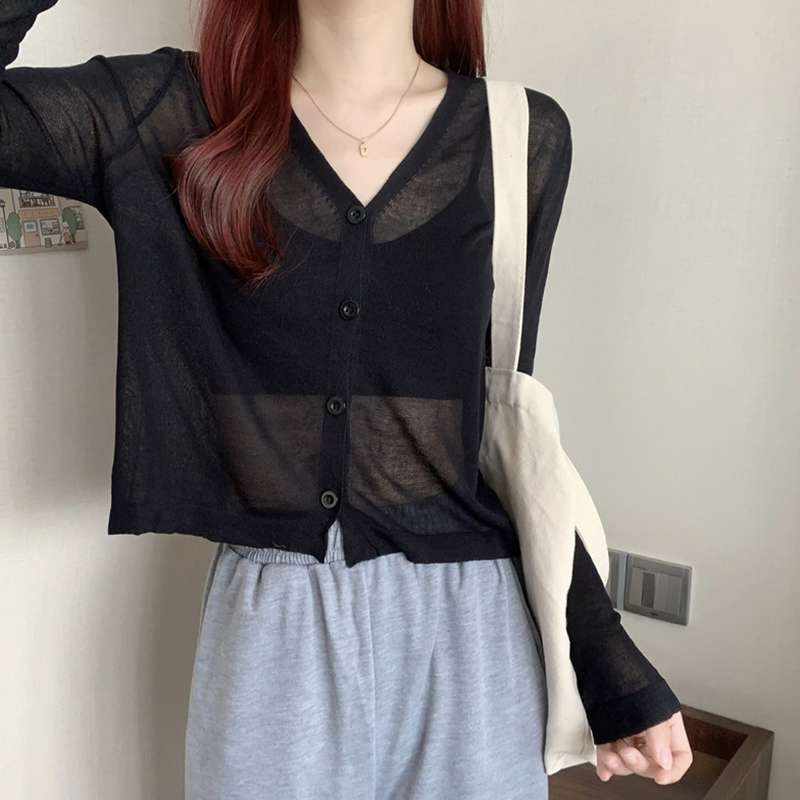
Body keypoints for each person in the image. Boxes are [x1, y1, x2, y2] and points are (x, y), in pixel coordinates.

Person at [1, 0, 692, 797]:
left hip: (473, 639)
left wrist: (602, 650)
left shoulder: (518, 135)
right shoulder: (169, 111)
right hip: (275, 637)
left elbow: (499, 429)